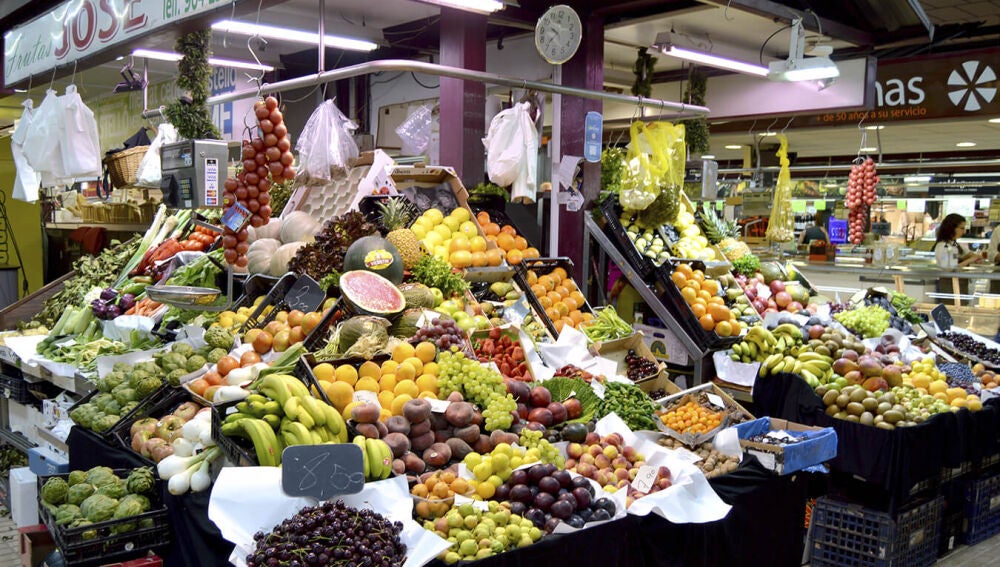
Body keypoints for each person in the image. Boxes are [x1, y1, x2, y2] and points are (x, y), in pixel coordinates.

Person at [933, 213, 983, 301]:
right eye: (961, 228)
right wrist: (969, 260)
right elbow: (950, 269)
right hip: (949, 287)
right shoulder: (942, 245)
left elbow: (968, 254)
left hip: (959, 285)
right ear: (951, 228)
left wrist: (971, 257)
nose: (964, 232)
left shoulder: (954, 243)